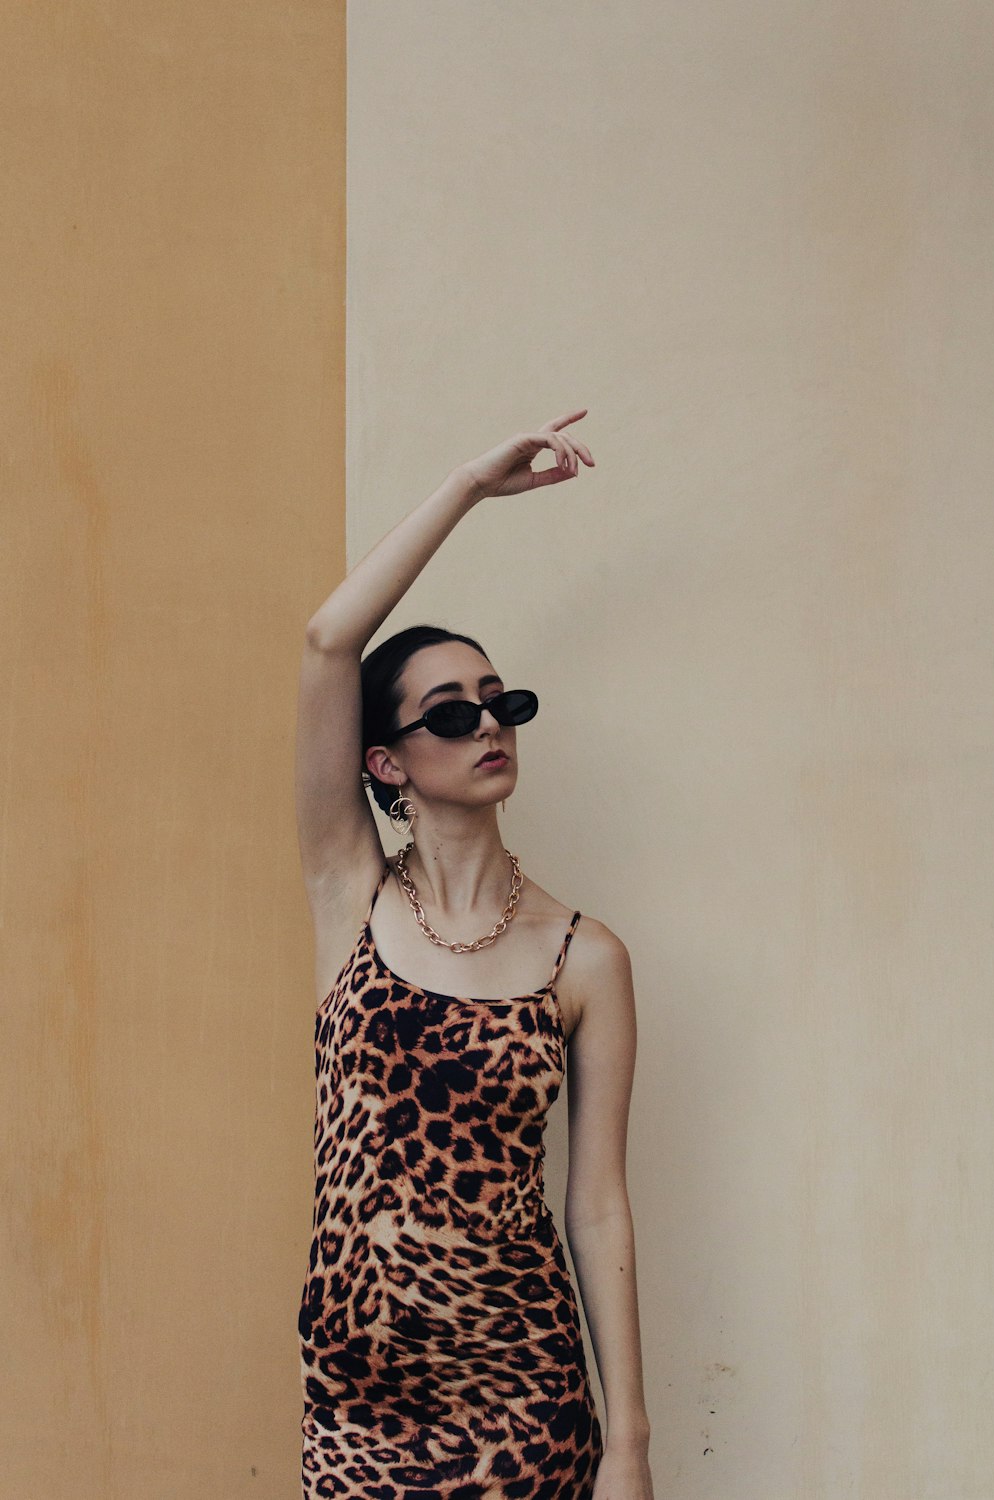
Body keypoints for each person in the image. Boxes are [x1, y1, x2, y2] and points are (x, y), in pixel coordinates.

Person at [294, 409, 653, 1499]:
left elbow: (594, 1205)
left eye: (501, 706)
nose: (488, 726)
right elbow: (325, 643)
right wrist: (466, 486)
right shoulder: (348, 893)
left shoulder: (584, 957)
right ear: (385, 763)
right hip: (355, 1398)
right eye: (449, 716)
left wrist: (628, 1447)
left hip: (525, 1395)